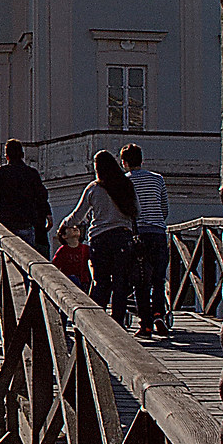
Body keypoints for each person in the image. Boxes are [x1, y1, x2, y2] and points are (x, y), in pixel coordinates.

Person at [68, 150, 139, 322]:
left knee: (101, 281)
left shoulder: (94, 187)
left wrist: (65, 225)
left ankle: (96, 322)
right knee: (121, 283)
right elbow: (137, 211)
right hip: (122, 237)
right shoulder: (126, 185)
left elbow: (78, 215)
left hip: (100, 239)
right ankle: (117, 322)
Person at [120, 142, 171, 337]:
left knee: (140, 279)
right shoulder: (157, 179)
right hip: (158, 233)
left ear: (124, 162)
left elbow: (125, 210)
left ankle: (146, 324)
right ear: (142, 160)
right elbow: (164, 208)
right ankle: (159, 313)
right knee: (158, 278)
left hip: (137, 235)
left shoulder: (125, 182)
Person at [0, 140, 52, 256]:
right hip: (26, 221)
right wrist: (47, 213)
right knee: (26, 257)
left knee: (7, 258)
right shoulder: (31, 173)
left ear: (6, 156)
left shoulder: (1, 172)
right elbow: (41, 195)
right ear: (22, 155)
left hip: (6, 221)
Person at [50, 219, 91, 291]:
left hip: (84, 282)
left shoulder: (86, 248)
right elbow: (55, 266)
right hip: (69, 282)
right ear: (64, 236)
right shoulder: (63, 250)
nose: (75, 228)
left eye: (76, 227)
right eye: (70, 227)